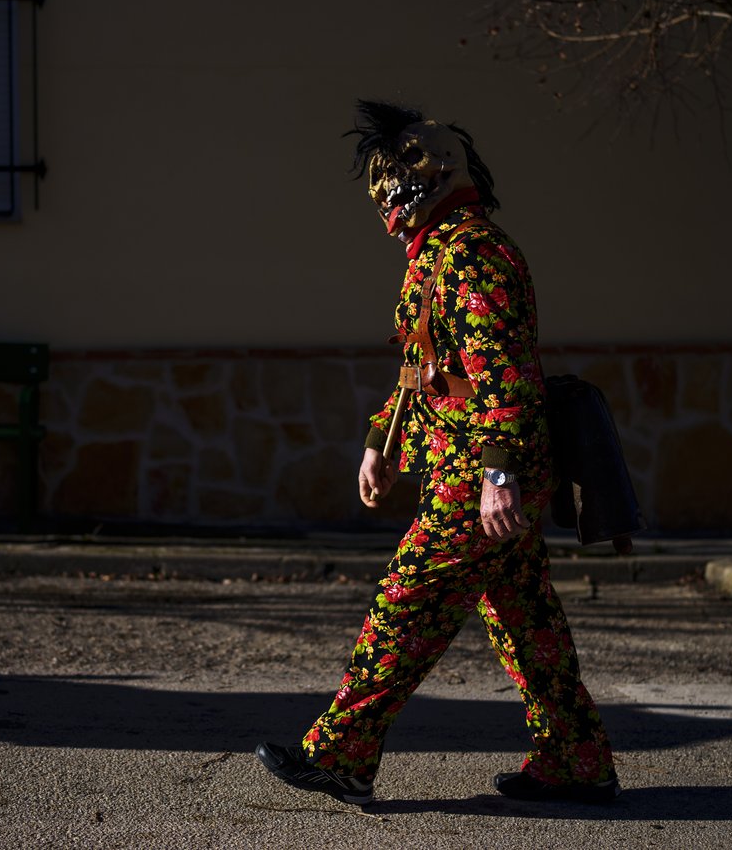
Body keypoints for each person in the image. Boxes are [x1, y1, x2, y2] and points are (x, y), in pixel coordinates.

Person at [255, 100, 626, 806]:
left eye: (394, 180)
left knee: (405, 602)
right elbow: (421, 366)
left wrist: (496, 475)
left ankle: (341, 755)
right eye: (380, 184)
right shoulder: (439, 252)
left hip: (479, 472)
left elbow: (504, 372)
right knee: (524, 619)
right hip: (471, 466)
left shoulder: (473, 255)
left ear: (436, 175)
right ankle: (577, 760)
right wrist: (381, 443)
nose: (384, 198)